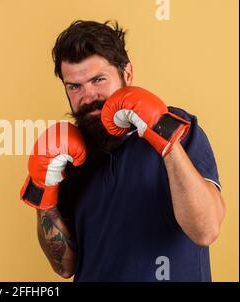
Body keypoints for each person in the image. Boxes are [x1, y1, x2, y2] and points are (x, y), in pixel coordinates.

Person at [20, 20, 225, 281]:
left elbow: (205, 230)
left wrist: (164, 138)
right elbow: (64, 266)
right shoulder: (66, 156)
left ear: (126, 74)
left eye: (98, 79)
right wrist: (44, 196)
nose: (88, 96)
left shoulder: (177, 126)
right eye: (75, 86)